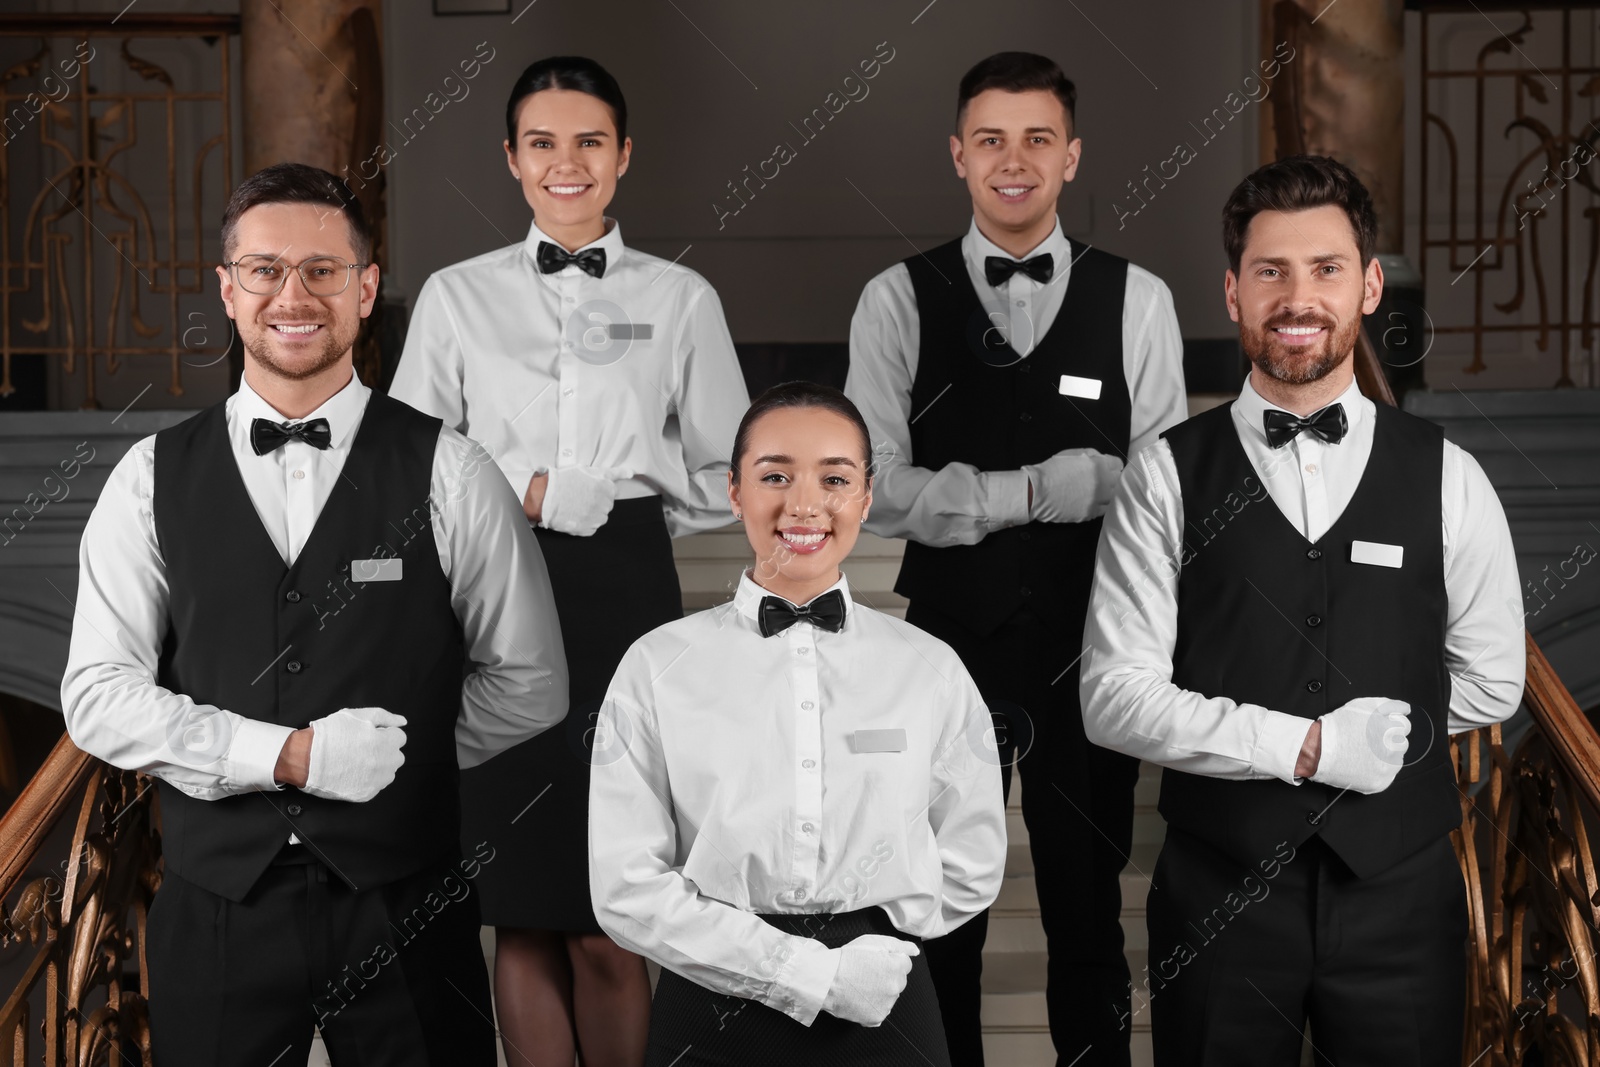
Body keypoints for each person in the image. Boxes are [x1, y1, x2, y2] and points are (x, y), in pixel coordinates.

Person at [59, 163, 569, 1066]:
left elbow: (531, 679)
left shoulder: (453, 471)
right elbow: (98, 695)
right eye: (264, 269)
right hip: (217, 909)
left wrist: (401, 760)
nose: (293, 294)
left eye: (323, 271)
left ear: (367, 288)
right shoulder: (147, 477)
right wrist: (291, 757)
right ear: (227, 288)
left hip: (409, 903)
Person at [1080, 155, 1526, 1065]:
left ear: (1367, 287)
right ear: (1234, 293)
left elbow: (1495, 678)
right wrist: (1307, 745)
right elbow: (1113, 694)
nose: (1298, 296)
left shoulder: (1449, 474)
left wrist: (1389, 731)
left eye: (1325, 269)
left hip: (1402, 896)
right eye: (1271, 270)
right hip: (1218, 897)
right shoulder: (1165, 474)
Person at [388, 55, 750, 1067]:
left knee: (606, 906)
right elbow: (410, 462)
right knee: (522, 906)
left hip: (621, 596)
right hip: (489, 599)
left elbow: (732, 466)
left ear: (623, 155)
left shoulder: (679, 298)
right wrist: (533, 491)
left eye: (589, 140)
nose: (567, 162)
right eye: (542, 142)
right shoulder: (456, 299)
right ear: (511, 159)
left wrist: (635, 508)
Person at [843, 50, 1187, 1067]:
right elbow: (868, 486)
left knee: (1088, 906)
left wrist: (1091, 487)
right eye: (990, 138)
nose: (1013, 159)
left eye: (1037, 137)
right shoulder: (894, 300)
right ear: (958, 155)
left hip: (1096, 640)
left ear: (1071, 155)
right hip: (949, 640)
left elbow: (1166, 483)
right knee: (942, 900)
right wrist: (1041, 490)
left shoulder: (1140, 299)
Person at [588, 380, 1007, 1067]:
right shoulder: (656, 665)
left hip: (884, 994)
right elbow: (626, 885)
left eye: (834, 478)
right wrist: (809, 972)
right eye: (775, 475)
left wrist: (883, 936)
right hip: (712, 1003)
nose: (804, 504)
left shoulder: (929, 667)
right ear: (734, 491)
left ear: (866, 498)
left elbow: (974, 855)